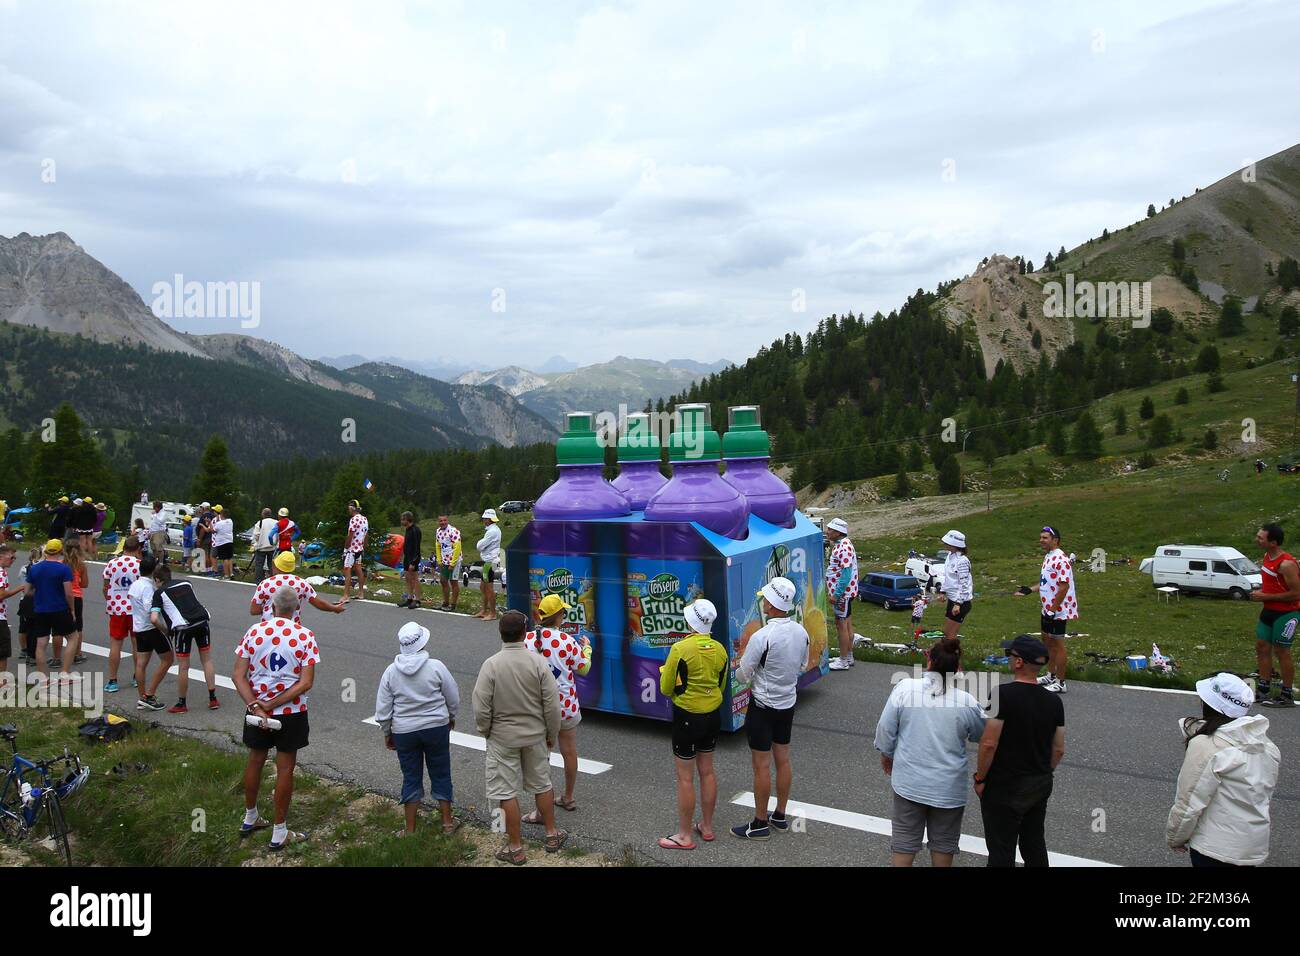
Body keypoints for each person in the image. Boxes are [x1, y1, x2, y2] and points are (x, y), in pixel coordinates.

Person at [874, 636, 985, 866]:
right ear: (957, 668)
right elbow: (980, 734)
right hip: (948, 789)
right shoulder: (967, 702)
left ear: (930, 661)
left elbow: (886, 728)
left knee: (904, 841)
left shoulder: (905, 688)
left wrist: (887, 754)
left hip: (909, 782)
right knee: (943, 844)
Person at [471, 609, 567, 864]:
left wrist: (486, 731)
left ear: (501, 634)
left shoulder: (491, 665)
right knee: (542, 784)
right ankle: (551, 833)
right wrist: (551, 733)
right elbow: (552, 705)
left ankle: (515, 846)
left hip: (502, 737)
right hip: (535, 735)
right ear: (525, 633)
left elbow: (481, 707)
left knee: (504, 791)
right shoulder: (537, 662)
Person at [235, 586, 320, 850]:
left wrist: (257, 706)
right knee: (285, 769)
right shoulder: (305, 636)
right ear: (297, 609)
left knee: (255, 760)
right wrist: (274, 704)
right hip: (290, 713)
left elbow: (238, 675)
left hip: (256, 711)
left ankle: (250, 816)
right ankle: (279, 830)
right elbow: (305, 683)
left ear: (271, 608)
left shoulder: (254, 632)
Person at [1166, 673, 1280, 866]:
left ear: (1208, 704)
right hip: (1252, 849)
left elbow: (1189, 801)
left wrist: (1175, 837)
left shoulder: (1206, 746)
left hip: (1214, 850)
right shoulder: (1267, 747)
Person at [974, 635, 1065, 867]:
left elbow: (988, 744)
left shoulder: (1001, 694)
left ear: (1018, 662)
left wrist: (980, 777)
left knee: (1001, 848)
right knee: (1034, 843)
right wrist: (1044, 772)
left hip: (1005, 785)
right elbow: (1059, 749)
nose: (1008, 659)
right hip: (1039, 782)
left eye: (1010, 655)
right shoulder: (1053, 701)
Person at [731, 577, 809, 840]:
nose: (762, 602)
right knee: (783, 760)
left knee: (761, 766)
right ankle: (780, 815)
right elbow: (802, 665)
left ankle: (759, 823)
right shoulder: (802, 632)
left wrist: (738, 663)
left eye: (765, 598)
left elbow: (743, 676)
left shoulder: (762, 636)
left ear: (773, 604)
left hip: (762, 707)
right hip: (787, 704)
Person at [374, 621, 460, 836]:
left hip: (404, 730)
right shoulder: (436, 666)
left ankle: (410, 829)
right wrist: (450, 716)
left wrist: (387, 732)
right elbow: (453, 696)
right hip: (435, 727)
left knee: (411, 775)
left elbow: (383, 709)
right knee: (441, 771)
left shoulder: (391, 672)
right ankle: (448, 823)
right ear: (422, 643)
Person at [658, 598, 728, 850]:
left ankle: (685, 836)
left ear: (690, 622)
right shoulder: (720, 649)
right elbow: (720, 685)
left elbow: (666, 689)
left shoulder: (680, 649)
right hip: (712, 715)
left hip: (687, 716)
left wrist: (667, 673)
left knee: (685, 778)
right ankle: (707, 827)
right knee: (707, 771)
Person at [522, 594, 591, 818]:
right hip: (566, 705)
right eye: (564, 612)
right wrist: (587, 649)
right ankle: (568, 797)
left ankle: (542, 809)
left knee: (543, 757)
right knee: (569, 752)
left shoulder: (527, 640)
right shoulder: (567, 641)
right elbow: (583, 669)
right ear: (559, 616)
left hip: (538, 708)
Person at [1016, 525, 1077, 693]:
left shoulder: (1061, 559)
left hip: (1058, 609)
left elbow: (1063, 587)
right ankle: (1050, 674)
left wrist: (1053, 610)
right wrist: (1029, 590)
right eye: (1041, 537)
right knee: (1047, 641)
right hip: (1047, 607)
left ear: (1055, 540)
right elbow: (1047, 583)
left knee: (1058, 644)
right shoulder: (1049, 556)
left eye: (1045, 538)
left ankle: (1061, 682)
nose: (1041, 540)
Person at [150, 564, 218, 713]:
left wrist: (166, 631)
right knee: (206, 660)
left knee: (184, 666)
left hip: (182, 627)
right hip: (202, 621)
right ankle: (213, 698)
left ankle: (182, 703)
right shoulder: (187, 583)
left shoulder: (159, 593)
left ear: (157, 579)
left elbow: (154, 619)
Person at [1251, 523, 1300, 707]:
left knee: (1282, 651)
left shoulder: (1286, 564)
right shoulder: (1266, 556)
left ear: (1273, 542)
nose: (1257, 540)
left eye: (1261, 538)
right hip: (1269, 610)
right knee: (1262, 646)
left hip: (1287, 614)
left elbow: (1297, 594)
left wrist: (1265, 595)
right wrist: (1263, 593)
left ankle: (1287, 695)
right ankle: (1263, 689)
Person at [24, 539, 76, 686]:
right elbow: (69, 593)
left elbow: (27, 591)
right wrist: (72, 609)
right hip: (59, 608)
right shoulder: (63, 569)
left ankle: (43, 678)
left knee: (41, 643)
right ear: (60, 551)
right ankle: (64, 674)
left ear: (45, 552)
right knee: (72, 637)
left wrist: (41, 592)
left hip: (40, 609)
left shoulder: (35, 568)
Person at [250, 551, 347, 623]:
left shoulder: (265, 584)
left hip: (268, 628)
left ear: (276, 566)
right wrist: (334, 608)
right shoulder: (301, 583)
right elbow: (319, 603)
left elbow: (254, 610)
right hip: (292, 629)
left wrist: (268, 608)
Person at [128, 554, 170, 711]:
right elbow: (150, 611)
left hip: (138, 628)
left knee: (141, 664)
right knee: (167, 659)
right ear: (153, 570)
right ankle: (149, 695)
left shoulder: (135, 585)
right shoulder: (147, 588)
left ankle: (142, 697)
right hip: (151, 629)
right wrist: (164, 629)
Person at [102, 536, 143, 693]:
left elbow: (105, 586)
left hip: (117, 609)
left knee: (115, 644)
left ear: (123, 547)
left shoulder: (112, 563)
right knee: (137, 645)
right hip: (135, 610)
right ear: (138, 549)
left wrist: (109, 600)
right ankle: (136, 677)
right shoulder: (139, 565)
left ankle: (112, 680)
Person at [825, 517, 858, 671]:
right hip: (847, 594)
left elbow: (845, 574)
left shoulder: (843, 548)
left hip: (842, 595)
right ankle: (849, 655)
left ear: (838, 532)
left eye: (830, 529)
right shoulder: (844, 544)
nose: (827, 532)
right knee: (848, 623)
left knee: (841, 626)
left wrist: (836, 594)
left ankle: (843, 660)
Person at [940, 530, 973, 641]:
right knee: (946, 632)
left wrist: (958, 603)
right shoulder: (950, 556)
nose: (944, 544)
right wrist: (943, 591)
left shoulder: (962, 561)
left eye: (947, 543)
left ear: (954, 545)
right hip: (952, 599)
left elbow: (964, 584)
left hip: (961, 602)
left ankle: (954, 656)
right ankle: (946, 654)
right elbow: (948, 577)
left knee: (950, 634)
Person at [0, 545, 24, 689]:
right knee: (3, 650)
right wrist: (20, 588)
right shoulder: (1, 572)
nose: (13, 560)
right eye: (11, 556)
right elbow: (1, 595)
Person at [62, 541, 88, 667]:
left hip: (62, 595)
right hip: (76, 596)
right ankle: (77, 653)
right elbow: (84, 584)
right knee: (78, 626)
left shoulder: (61, 564)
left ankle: (57, 656)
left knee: (59, 628)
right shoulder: (81, 565)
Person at [475, 509, 502, 621]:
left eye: (485, 518)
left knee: (488, 588)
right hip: (490, 561)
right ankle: (484, 610)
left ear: (489, 519)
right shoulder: (494, 530)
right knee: (483, 586)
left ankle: (492, 613)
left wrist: (479, 544)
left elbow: (480, 546)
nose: (483, 520)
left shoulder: (492, 532)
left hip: (490, 562)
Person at [342, 499, 369, 601]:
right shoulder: (364, 519)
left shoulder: (353, 519)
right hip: (359, 549)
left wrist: (345, 548)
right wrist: (364, 547)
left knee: (347, 570)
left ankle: (346, 596)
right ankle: (361, 593)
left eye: (349, 507)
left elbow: (350, 535)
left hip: (351, 549)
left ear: (352, 508)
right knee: (358, 569)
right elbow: (366, 535)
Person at [435, 515, 462, 611]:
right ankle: (445, 602)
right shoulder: (438, 531)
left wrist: (453, 563)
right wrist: (439, 560)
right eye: (440, 521)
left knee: (453, 582)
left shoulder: (453, 531)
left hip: (454, 560)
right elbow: (438, 545)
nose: (442, 522)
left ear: (447, 521)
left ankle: (453, 604)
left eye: (444, 520)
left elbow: (457, 547)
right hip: (444, 560)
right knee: (443, 581)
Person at [399, 512, 423, 609]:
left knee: (414, 579)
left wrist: (414, 562)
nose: (401, 521)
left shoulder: (415, 530)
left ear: (407, 519)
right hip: (407, 557)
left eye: (402, 519)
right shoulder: (407, 530)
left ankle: (417, 600)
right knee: (408, 579)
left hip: (413, 558)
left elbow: (417, 547)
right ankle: (409, 599)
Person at [251, 508, 279, 583]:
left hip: (261, 547)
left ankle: (259, 581)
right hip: (272, 547)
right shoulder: (276, 522)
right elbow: (278, 534)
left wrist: (256, 543)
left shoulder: (260, 523)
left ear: (263, 514)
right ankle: (272, 581)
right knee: (271, 565)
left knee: (259, 565)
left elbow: (256, 535)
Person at [211, 505, 234, 579]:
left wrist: (210, 524)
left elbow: (213, 530)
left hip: (222, 542)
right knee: (229, 557)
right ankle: (231, 573)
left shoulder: (219, 523)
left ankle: (226, 575)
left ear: (222, 515)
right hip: (229, 541)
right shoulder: (230, 521)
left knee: (225, 559)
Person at [148, 501, 169, 566]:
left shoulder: (163, 513)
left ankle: (161, 562)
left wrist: (154, 515)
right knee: (153, 548)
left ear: (158, 507)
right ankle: (154, 560)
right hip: (152, 532)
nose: (154, 509)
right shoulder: (156, 514)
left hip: (159, 532)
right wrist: (149, 532)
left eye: (154, 508)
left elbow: (160, 522)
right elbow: (152, 523)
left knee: (159, 548)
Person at [196, 502, 214, 572]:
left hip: (205, 538)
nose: (200, 509)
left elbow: (202, 529)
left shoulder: (204, 516)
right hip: (212, 538)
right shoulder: (213, 516)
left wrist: (199, 539)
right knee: (210, 555)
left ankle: (206, 570)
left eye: (201, 508)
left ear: (204, 508)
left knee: (205, 554)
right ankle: (210, 569)